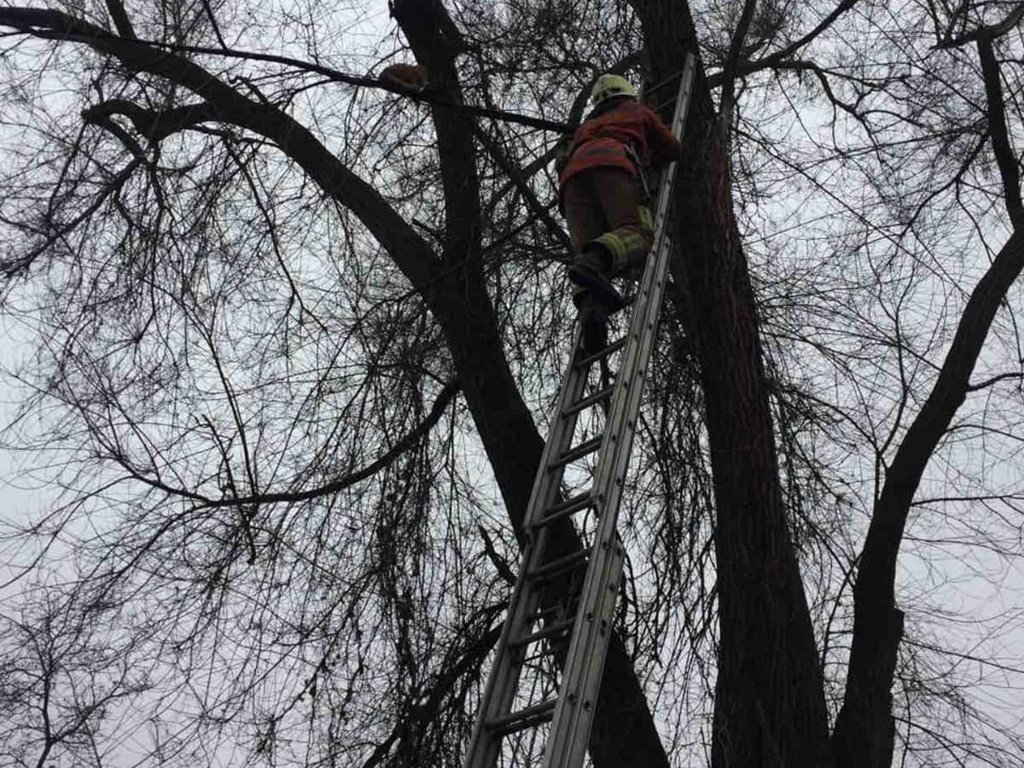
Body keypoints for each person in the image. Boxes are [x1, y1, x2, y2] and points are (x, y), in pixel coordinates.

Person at [557, 73, 684, 352]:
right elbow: (673, 148)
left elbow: (562, 159)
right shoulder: (637, 110)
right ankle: (595, 261)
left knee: (585, 258)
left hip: (571, 184)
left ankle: (593, 318)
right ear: (625, 93)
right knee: (638, 233)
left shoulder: (585, 128)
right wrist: (649, 159)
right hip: (611, 164)